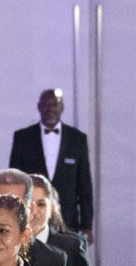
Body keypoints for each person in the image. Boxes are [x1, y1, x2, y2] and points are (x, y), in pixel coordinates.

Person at [8, 88, 93, 235]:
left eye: (54, 105)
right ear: (39, 107)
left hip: (68, 220)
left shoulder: (77, 139)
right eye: (46, 105)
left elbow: (84, 185)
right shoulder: (23, 137)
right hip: (31, 219)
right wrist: (14, 219)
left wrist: (87, 225)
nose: (50, 109)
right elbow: (14, 182)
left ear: (62, 107)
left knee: (67, 257)